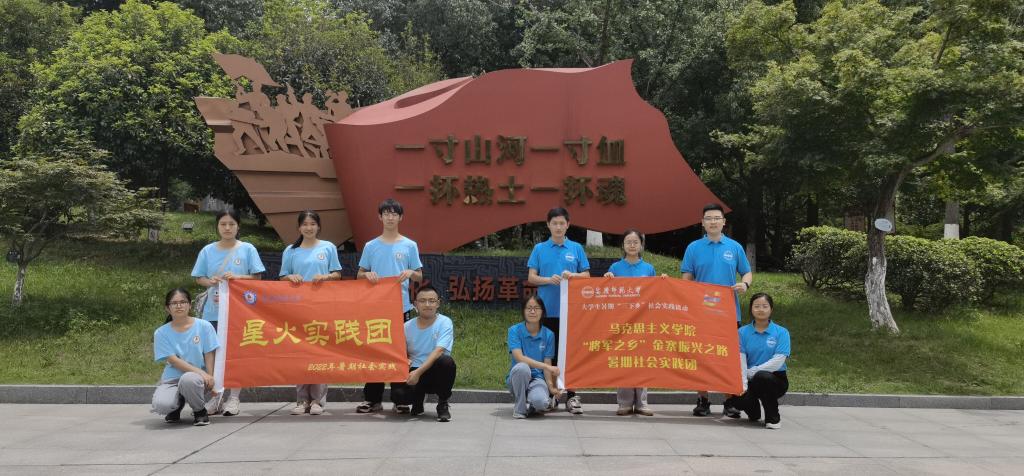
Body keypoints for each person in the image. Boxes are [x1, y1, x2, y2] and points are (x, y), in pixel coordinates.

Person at [680, 203, 753, 417]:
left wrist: (745, 284)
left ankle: (729, 401)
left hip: (728, 312)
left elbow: (747, 272)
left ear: (723, 222)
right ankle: (702, 400)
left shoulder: (734, 247)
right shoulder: (693, 248)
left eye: (716, 218)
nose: (713, 222)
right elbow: (686, 278)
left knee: (727, 357)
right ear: (702, 223)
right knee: (700, 356)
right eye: (708, 218)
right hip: (700, 312)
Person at [190, 209, 265, 417]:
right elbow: (199, 277)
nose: (227, 228)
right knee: (213, 355)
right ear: (217, 226)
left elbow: (257, 277)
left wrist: (239, 278)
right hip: (213, 312)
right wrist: (210, 281)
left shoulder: (247, 249)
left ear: (238, 226)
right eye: (223, 224)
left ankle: (234, 398)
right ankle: (216, 397)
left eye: (231, 224)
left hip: (239, 312)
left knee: (236, 354)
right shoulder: (207, 250)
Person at [356, 198, 424, 414]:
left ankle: (400, 398)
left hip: (401, 307)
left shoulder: (409, 245)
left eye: (394, 213)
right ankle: (372, 399)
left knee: (400, 353)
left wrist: (411, 273)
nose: (390, 217)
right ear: (380, 217)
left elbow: (419, 276)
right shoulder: (371, 246)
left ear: (400, 217)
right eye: (386, 213)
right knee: (374, 351)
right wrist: (367, 275)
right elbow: (359, 274)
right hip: (375, 308)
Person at [527, 207, 590, 414]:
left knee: (571, 354)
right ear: (548, 225)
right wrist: (548, 279)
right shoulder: (539, 248)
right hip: (547, 311)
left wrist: (573, 276)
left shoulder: (576, 248)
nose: (558, 227)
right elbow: (531, 277)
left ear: (568, 225)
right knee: (550, 354)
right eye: (554, 223)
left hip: (572, 311)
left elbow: (586, 276)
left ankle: (572, 396)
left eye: (562, 223)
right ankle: (553, 394)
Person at [279, 210, 343, 415]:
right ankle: (301, 400)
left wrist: (326, 277)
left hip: (322, 307)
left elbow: (337, 274)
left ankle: (318, 400)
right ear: (299, 227)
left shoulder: (328, 247)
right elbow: (282, 277)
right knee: (300, 352)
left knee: (320, 352)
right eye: (305, 224)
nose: (309, 228)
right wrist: (290, 277)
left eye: (312, 224)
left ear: (318, 226)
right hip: (298, 308)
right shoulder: (291, 250)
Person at [603, 229, 657, 416]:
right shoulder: (615, 268)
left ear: (641, 245)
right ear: (623, 245)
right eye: (628, 242)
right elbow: (607, 292)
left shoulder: (649, 268)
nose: (632, 245)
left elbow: (656, 292)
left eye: (636, 242)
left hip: (643, 321)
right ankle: (624, 402)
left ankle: (642, 403)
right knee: (624, 360)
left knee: (642, 361)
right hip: (622, 322)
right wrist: (607, 279)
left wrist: (663, 282)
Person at [151, 288, 218, 426]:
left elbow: (209, 353)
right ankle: (177, 404)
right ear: (167, 308)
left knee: (188, 379)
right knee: (161, 405)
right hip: (173, 379)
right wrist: (201, 373)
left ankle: (199, 411)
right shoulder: (161, 333)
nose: (179, 305)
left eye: (183, 302)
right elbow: (174, 361)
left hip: (197, 380)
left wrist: (209, 376)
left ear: (190, 305)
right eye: (174, 303)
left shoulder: (204, 326)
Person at [725, 293, 791, 429]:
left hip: (774, 379)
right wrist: (743, 385)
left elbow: (778, 361)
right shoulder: (742, 332)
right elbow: (740, 359)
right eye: (757, 306)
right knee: (736, 398)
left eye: (765, 306)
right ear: (751, 309)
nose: (761, 309)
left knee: (762, 377)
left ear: (771, 309)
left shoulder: (781, 332)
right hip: (748, 377)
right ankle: (754, 413)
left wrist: (754, 371)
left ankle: (773, 419)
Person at [391, 285, 455, 422]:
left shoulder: (445, 322)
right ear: (415, 304)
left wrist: (418, 373)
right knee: (398, 395)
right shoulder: (406, 327)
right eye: (422, 301)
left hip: (435, 371)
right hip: (413, 370)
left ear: (438, 303)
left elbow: (439, 351)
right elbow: (401, 351)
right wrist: (405, 360)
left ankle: (443, 403)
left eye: (431, 301)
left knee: (446, 362)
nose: (427, 304)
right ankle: (417, 401)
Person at [505, 295, 560, 419]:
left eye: (536, 308)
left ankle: (532, 405)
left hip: (537, 379)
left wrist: (551, 387)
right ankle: (520, 409)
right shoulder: (514, 330)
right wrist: (546, 366)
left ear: (542, 312)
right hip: (518, 378)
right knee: (522, 367)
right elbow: (519, 357)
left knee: (542, 403)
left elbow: (547, 362)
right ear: (523, 311)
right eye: (528, 308)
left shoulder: (549, 335)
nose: (532, 311)